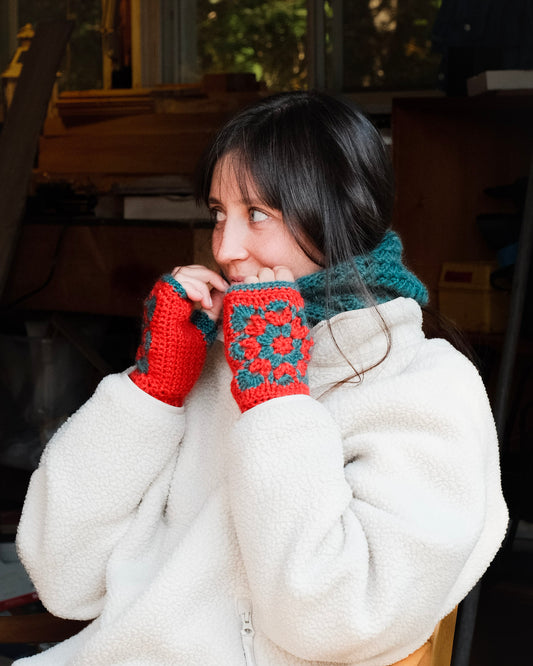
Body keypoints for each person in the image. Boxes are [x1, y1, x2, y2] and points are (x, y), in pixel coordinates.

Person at [15, 91, 508, 666]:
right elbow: (63, 575)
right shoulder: (221, 357)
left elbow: (340, 621)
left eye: (257, 214)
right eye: (219, 213)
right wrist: (153, 390)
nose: (225, 248)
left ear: (340, 213)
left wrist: (276, 403)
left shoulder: (425, 385)